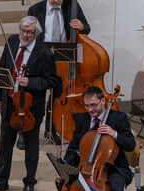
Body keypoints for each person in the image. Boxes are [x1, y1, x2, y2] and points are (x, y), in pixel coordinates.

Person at [0, 16, 58, 191]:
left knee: (31, 148)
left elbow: (52, 81)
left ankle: (29, 183)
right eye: (23, 31)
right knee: (5, 146)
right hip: (9, 102)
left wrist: (31, 81)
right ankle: (1, 181)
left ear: (36, 34)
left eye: (30, 32)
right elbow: (2, 69)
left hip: (31, 108)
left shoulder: (44, 53)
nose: (25, 35)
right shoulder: (11, 42)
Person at [59, 86, 136, 191]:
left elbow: (130, 144)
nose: (90, 109)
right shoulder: (82, 119)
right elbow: (74, 147)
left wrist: (114, 133)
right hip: (85, 163)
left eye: (93, 105)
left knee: (116, 189)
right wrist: (65, 166)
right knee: (63, 180)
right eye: (86, 106)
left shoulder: (118, 118)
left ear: (103, 101)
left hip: (113, 166)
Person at [27, 0, 90, 146]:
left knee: (57, 96)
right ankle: (26, 132)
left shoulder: (71, 6)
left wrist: (82, 26)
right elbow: (27, 34)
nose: (57, 0)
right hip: (41, 58)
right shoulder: (35, 10)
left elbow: (86, 27)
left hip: (63, 61)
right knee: (36, 97)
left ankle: (51, 130)